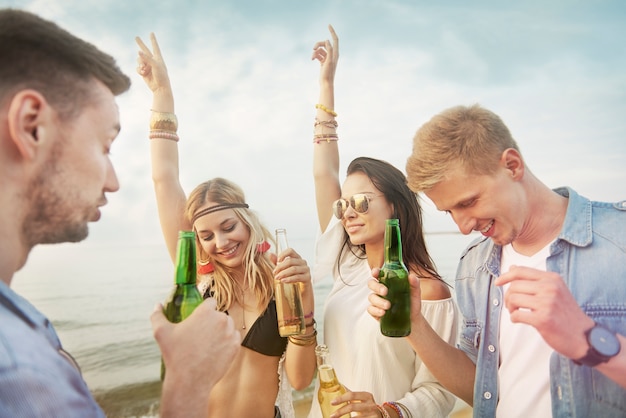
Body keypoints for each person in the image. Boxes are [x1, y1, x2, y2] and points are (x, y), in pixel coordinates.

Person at [0, 8, 240, 418]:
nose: (113, 182)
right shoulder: (20, 375)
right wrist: (187, 383)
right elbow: (165, 179)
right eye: (105, 146)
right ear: (31, 126)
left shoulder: (22, 322)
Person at [368, 104, 626, 417]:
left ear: (512, 165)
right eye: (450, 212)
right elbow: (481, 390)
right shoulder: (473, 265)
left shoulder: (619, 239)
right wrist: (414, 326)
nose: (463, 227)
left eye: (468, 202)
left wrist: (587, 339)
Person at [135, 33, 317, 418]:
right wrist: (162, 94)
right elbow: (164, 179)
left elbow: (300, 380)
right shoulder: (201, 280)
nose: (220, 241)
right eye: (206, 235)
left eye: (228, 226)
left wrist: (305, 301)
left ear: (248, 221)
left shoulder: (280, 283)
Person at [308, 25, 458, 418]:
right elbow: (324, 173)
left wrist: (387, 411)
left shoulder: (427, 290)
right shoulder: (349, 265)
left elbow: (441, 390)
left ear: (394, 205)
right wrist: (326, 85)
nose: (347, 212)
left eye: (359, 200)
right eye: (342, 206)